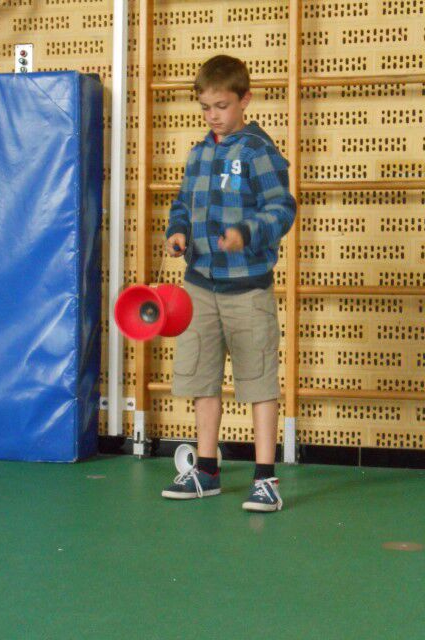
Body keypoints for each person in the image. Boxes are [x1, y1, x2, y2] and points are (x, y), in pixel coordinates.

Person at [161, 55, 297, 512]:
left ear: (245, 100)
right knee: (202, 379)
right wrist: (177, 232)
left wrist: (247, 232)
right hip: (200, 286)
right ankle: (206, 469)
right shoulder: (198, 154)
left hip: (248, 289)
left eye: (221, 106)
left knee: (258, 380)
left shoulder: (258, 152)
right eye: (205, 107)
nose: (213, 115)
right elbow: (182, 204)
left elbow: (282, 209)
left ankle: (265, 478)